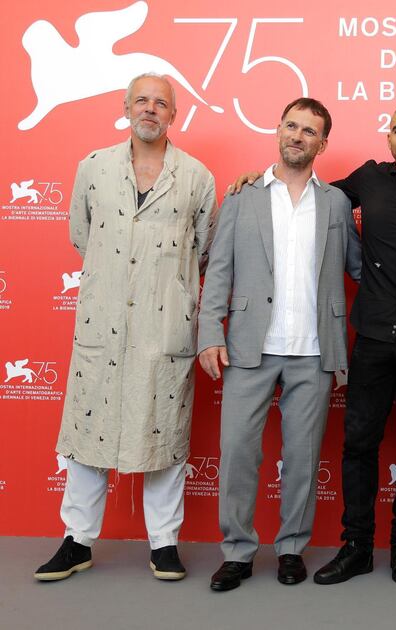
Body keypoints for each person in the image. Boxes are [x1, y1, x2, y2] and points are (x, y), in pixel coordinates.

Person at [230, 105, 396, 586]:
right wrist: (258, 181)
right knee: (359, 444)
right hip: (373, 337)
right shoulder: (364, 182)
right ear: (388, 138)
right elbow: (306, 193)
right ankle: (356, 545)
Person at [34, 73, 217, 582]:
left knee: (163, 435)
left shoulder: (197, 177)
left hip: (165, 328)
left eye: (161, 102)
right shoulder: (93, 168)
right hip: (103, 322)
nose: (151, 109)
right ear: (126, 106)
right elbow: (81, 234)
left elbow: (204, 248)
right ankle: (77, 540)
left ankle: (164, 543)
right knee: (88, 434)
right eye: (142, 99)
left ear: (174, 114)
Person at [198, 98, 361, 592]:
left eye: (309, 131)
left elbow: (358, 266)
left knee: (303, 457)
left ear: (322, 144)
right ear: (278, 130)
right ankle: (239, 552)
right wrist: (209, 332)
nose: (298, 136)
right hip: (249, 346)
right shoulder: (243, 197)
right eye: (291, 125)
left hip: (314, 350)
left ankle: (292, 547)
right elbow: (219, 268)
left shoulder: (334, 202)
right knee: (238, 452)